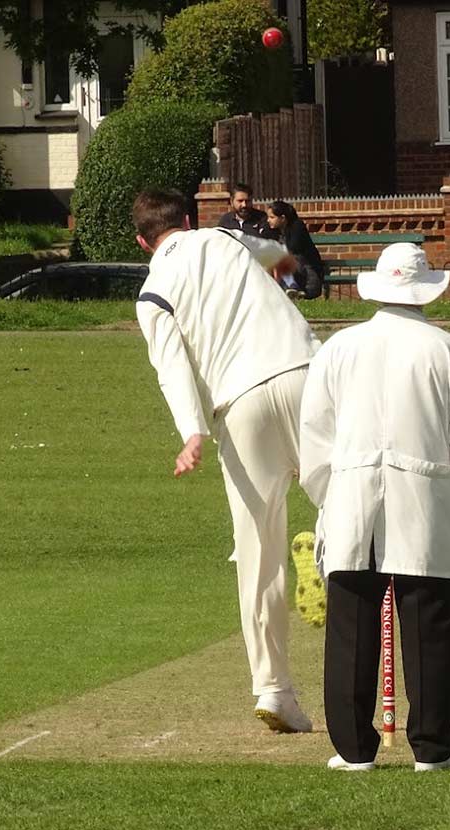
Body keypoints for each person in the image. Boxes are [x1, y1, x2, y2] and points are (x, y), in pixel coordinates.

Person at [131, 187, 320, 734]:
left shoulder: (151, 293)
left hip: (239, 408)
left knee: (259, 549)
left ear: (143, 242)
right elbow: (278, 258)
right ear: (188, 220)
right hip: (305, 373)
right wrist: (287, 274)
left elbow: (170, 366)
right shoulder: (221, 237)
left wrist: (191, 432)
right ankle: (330, 552)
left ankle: (274, 691)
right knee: (344, 502)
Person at [299, 242, 450, 773]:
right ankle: (432, 748)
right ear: (424, 290)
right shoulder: (446, 348)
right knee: (428, 620)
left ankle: (354, 749)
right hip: (423, 493)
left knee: (351, 622)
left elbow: (314, 433)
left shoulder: (340, 347)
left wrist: (328, 494)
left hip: (353, 491)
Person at [266, 200, 326, 300]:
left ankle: (292, 287)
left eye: (272, 217)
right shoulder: (275, 230)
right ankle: (291, 288)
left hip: (308, 275)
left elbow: (294, 248)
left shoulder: (297, 226)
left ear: (283, 218)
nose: (268, 220)